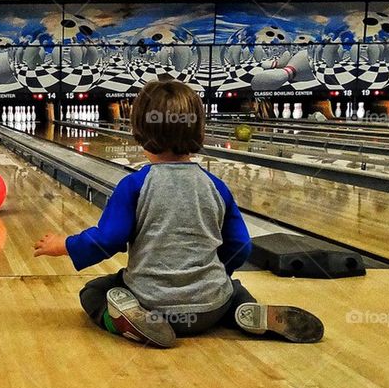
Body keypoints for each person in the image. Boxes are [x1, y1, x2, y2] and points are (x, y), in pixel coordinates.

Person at [33, 80, 324, 348]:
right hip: (211, 308)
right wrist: (215, 275)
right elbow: (241, 246)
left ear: (140, 133)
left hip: (151, 304)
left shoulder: (134, 185)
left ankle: (127, 321)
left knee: (94, 292)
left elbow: (108, 239)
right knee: (233, 289)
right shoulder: (216, 186)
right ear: (198, 130)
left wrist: (65, 245)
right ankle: (239, 312)